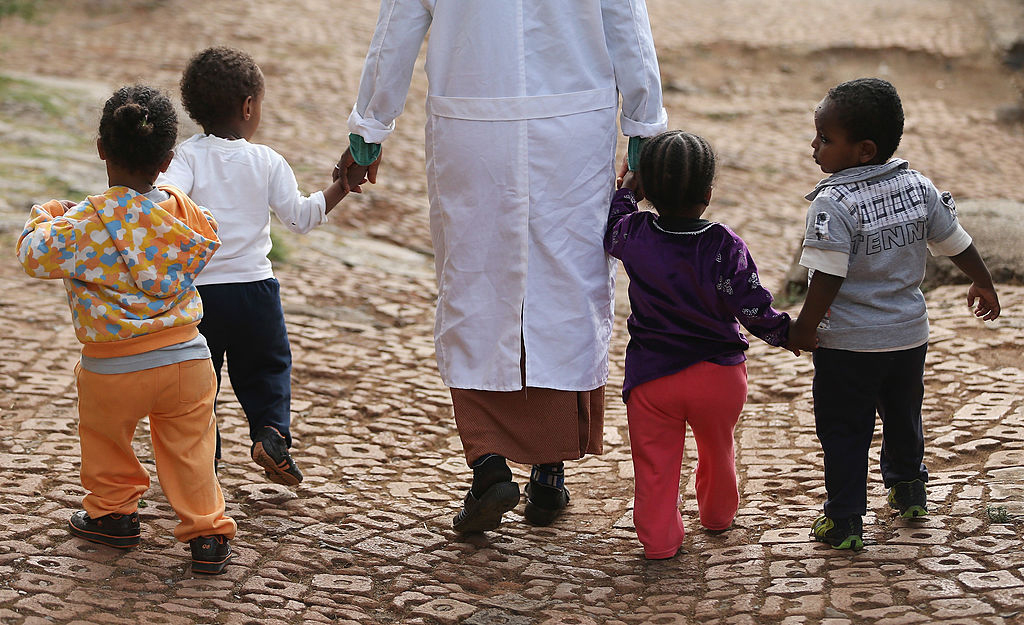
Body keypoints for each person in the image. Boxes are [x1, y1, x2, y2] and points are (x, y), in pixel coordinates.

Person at [334, 0, 669, 532]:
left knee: (474, 285)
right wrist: (645, 128)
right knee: (566, 283)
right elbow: (626, 21)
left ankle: (489, 465)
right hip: (574, 131)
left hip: (472, 130)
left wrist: (368, 130)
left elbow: (396, 29)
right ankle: (549, 470)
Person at [16, 85, 236, 574]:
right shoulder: (180, 211)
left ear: (101, 149)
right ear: (167, 160)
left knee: (106, 441)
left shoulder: (86, 221)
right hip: (187, 360)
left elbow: (34, 255)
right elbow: (211, 231)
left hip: (112, 368)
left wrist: (44, 217)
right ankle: (207, 535)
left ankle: (113, 516)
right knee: (192, 449)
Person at [789, 78, 1001, 550]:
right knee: (904, 415)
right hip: (908, 337)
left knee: (845, 430)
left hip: (848, 345)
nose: (814, 147)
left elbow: (827, 276)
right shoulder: (917, 186)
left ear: (864, 150)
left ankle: (844, 521)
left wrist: (804, 327)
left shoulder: (832, 202)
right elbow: (955, 241)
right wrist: (982, 280)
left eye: (825, 138)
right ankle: (909, 491)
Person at [159, 46, 361, 485]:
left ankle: (201, 465)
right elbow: (302, 217)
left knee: (197, 385)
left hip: (198, 295)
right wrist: (340, 186)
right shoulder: (267, 161)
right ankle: (269, 434)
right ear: (249, 106)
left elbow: (165, 202)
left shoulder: (186, 158)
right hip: (255, 291)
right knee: (268, 369)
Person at [605, 130, 794, 559]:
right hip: (719, 377)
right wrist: (787, 333)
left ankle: (659, 541)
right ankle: (717, 514)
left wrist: (626, 193)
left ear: (648, 191)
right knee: (718, 446)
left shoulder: (635, 234)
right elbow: (751, 305)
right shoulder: (723, 244)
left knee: (655, 464)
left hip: (653, 378)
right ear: (708, 195)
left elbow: (610, 231)